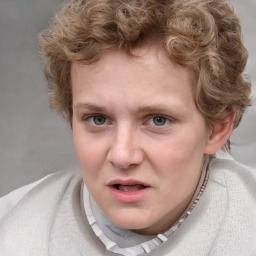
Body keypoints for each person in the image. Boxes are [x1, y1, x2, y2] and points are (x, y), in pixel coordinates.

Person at [0, 0, 255, 255]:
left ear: (217, 129)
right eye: (98, 119)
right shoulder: (11, 228)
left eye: (158, 120)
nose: (122, 155)